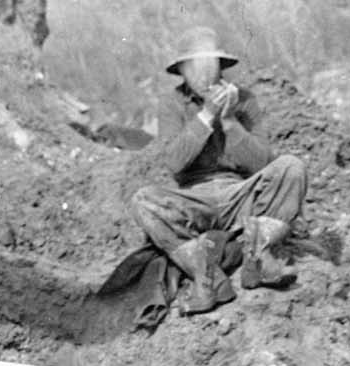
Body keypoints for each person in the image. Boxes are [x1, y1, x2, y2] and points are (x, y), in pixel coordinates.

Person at [131, 25, 308, 313]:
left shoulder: (245, 100)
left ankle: (258, 257)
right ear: (182, 71)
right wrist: (206, 116)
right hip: (195, 198)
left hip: (239, 194)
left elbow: (263, 163)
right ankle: (206, 275)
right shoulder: (171, 104)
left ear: (220, 68)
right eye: (194, 68)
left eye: (209, 67)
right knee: (143, 201)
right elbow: (174, 162)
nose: (203, 76)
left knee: (292, 168)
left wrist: (229, 121)